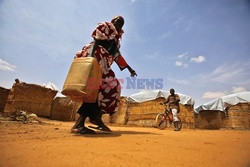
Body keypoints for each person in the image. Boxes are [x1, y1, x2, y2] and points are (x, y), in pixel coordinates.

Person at [71, 16, 137, 134]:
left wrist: (130, 69)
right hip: (96, 56)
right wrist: (90, 60)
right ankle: (79, 124)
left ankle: (96, 117)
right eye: (118, 21)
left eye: (122, 23)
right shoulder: (106, 27)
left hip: (103, 61)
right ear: (113, 21)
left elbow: (117, 56)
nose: (119, 24)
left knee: (113, 87)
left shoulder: (115, 39)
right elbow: (96, 41)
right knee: (95, 89)